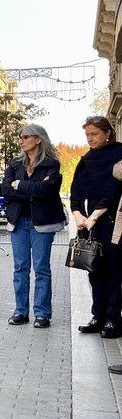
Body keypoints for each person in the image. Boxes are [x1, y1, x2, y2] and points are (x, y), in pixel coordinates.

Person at [2, 124, 64, 329]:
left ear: (38, 139)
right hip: (19, 221)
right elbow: (5, 190)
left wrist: (19, 185)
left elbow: (46, 191)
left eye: (25, 136)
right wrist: (32, 189)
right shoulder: (15, 164)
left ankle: (42, 313)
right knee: (20, 268)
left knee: (41, 269)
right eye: (20, 137)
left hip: (42, 223)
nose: (21, 140)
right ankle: (21, 311)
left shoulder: (51, 164)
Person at [71, 116, 122, 338]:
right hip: (90, 221)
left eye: (95, 134)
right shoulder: (87, 159)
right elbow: (76, 190)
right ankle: (98, 316)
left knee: (113, 271)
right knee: (94, 270)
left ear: (107, 133)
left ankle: (113, 320)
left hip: (112, 220)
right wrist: (78, 215)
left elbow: (113, 192)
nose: (90, 139)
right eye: (87, 135)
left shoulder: (119, 153)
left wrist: (93, 217)